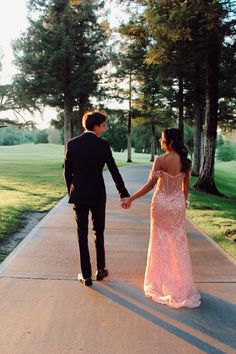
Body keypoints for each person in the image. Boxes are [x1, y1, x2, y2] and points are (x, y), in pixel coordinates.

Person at [122, 128, 201, 308]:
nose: (160, 140)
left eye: (162, 138)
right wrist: (182, 203)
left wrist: (130, 198)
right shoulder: (185, 162)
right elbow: (185, 189)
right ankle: (180, 284)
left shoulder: (160, 160)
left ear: (169, 141)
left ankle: (159, 283)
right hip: (177, 203)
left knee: (159, 240)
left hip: (160, 204)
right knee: (177, 242)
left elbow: (150, 185)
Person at [64, 111, 129, 286]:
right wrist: (123, 193)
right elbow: (114, 170)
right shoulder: (103, 145)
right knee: (98, 232)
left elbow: (67, 172)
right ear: (96, 126)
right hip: (98, 195)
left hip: (79, 195)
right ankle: (100, 269)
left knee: (81, 234)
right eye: (103, 125)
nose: (105, 128)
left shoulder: (72, 144)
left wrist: (71, 192)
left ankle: (86, 275)